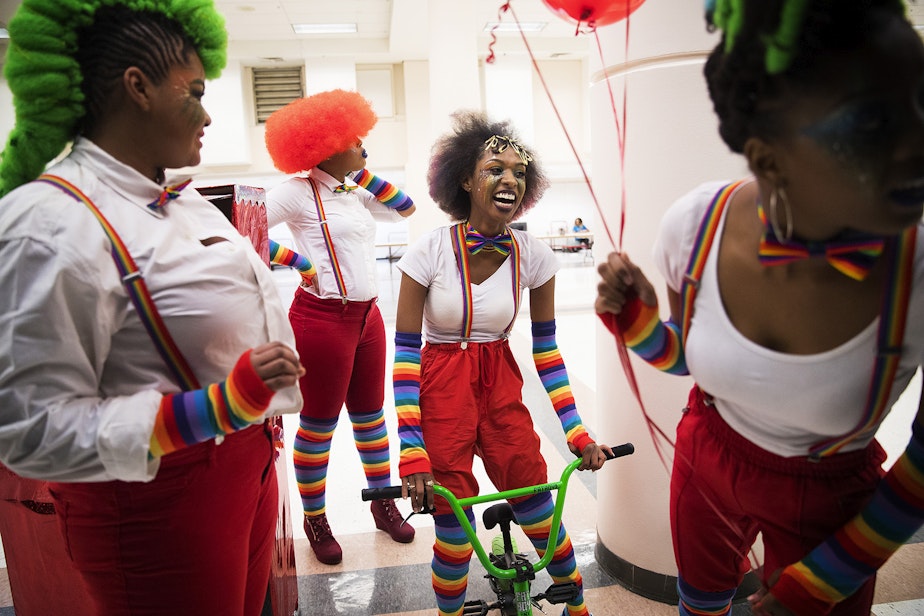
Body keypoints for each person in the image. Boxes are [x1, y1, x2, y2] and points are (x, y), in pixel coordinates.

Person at [595, 2, 924, 615]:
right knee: (702, 604)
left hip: (833, 500)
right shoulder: (696, 226)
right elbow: (688, 361)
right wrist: (639, 322)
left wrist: (814, 586)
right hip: (707, 458)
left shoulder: (918, 268)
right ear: (769, 159)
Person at [0, 1, 304, 615]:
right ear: (137, 87)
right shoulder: (50, 224)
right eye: (193, 92)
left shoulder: (176, 201)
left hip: (245, 471)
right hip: (156, 505)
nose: (209, 112)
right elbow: (28, 432)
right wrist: (215, 408)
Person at [393, 110, 611, 616]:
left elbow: (548, 351)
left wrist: (576, 432)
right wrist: (410, 448)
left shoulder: (533, 255)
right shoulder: (428, 251)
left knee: (540, 507)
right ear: (466, 180)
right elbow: (405, 353)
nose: (509, 177)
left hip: (501, 385)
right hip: (440, 385)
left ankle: (578, 610)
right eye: (494, 168)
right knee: (453, 529)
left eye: (518, 170)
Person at [263, 89, 418, 566]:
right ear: (324, 147)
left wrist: (358, 173)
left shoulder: (353, 193)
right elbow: (239, 231)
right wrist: (296, 260)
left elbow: (406, 208)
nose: (363, 146)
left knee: (372, 419)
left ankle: (382, 504)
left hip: (368, 317)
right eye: (354, 140)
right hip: (321, 320)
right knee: (318, 426)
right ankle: (316, 518)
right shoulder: (297, 191)